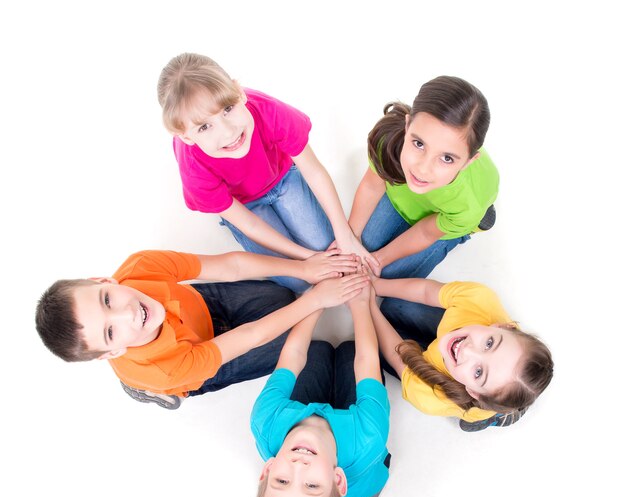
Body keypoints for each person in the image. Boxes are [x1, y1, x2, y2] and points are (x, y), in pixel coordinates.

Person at [35, 249, 365, 409]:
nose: (127, 314)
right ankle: (143, 389)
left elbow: (228, 265)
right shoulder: (165, 370)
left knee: (281, 294)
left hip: (201, 305)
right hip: (196, 363)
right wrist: (316, 300)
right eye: (110, 332)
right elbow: (249, 336)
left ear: (104, 280)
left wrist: (305, 269)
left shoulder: (139, 268)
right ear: (113, 352)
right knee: (300, 343)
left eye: (108, 299)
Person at [157, 53, 375, 293]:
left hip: (282, 179)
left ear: (240, 93)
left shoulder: (270, 111)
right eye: (205, 126)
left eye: (228, 109)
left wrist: (344, 233)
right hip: (246, 206)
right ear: (186, 137)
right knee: (298, 280)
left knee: (328, 245)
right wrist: (309, 257)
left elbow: (313, 171)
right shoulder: (193, 168)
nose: (229, 132)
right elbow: (249, 224)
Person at [251, 276, 390, 497]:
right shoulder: (369, 438)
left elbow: (292, 355)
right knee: (352, 350)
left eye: (281, 480)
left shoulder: (265, 422)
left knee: (318, 349)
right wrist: (361, 303)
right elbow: (366, 360)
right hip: (357, 460)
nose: (298, 468)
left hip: (315, 424)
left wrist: (316, 297)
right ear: (338, 479)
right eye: (311, 486)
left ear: (267, 469)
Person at [349, 76, 498, 279]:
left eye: (446, 158)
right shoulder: (389, 139)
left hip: (449, 213)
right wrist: (350, 237)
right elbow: (372, 186)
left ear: (468, 162)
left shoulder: (467, 204)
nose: (423, 169)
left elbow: (427, 232)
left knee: (390, 273)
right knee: (366, 244)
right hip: (405, 197)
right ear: (407, 125)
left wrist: (379, 260)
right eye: (419, 144)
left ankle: (469, 227)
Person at [369, 276, 553, 431]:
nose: (468, 350)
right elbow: (426, 291)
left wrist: (368, 305)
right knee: (394, 306)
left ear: (473, 391)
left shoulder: (431, 396)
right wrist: (374, 284)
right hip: (463, 337)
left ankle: (497, 416)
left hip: (473, 401)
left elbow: (396, 356)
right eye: (489, 343)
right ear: (504, 326)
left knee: (377, 346)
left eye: (479, 372)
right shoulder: (480, 300)